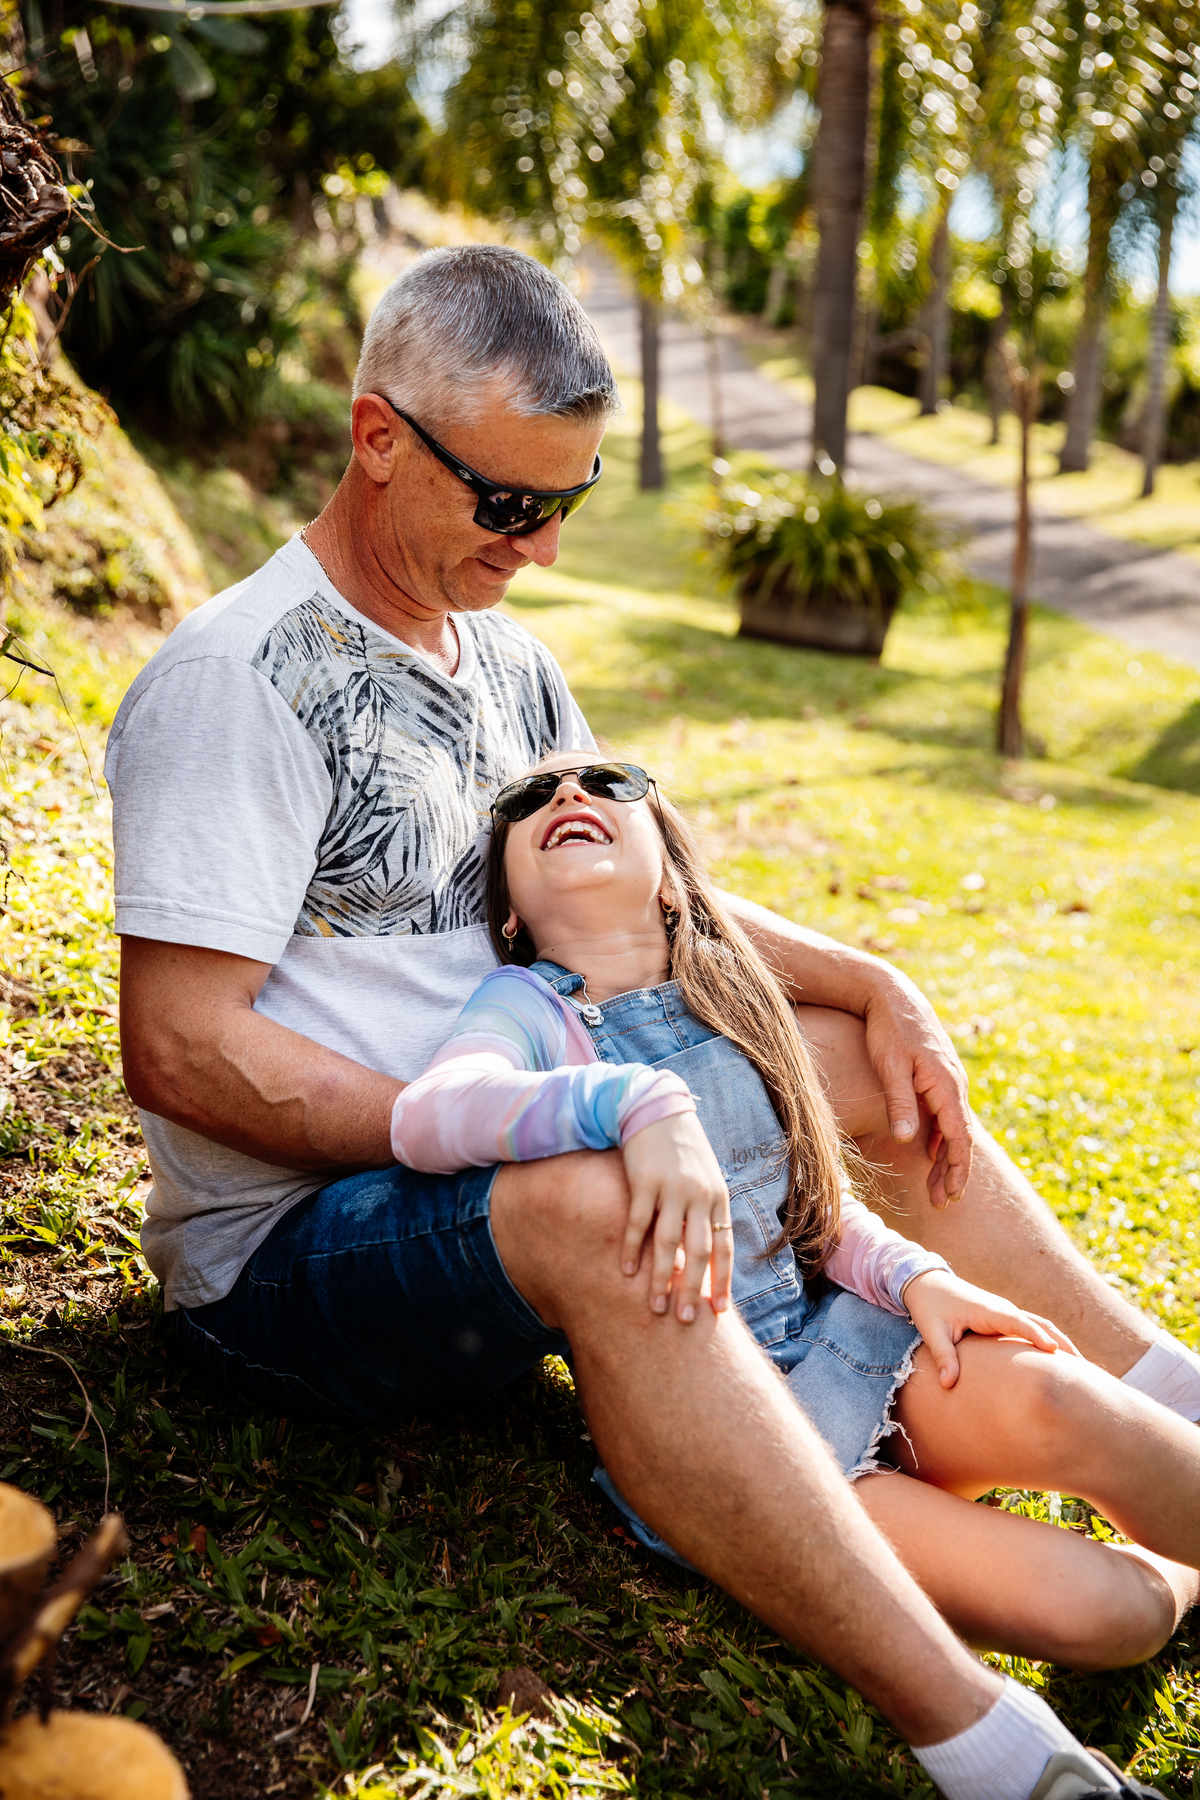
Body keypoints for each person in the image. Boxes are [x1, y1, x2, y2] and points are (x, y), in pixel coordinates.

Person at [108, 243, 1181, 1800]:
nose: (541, 547)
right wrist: (521, 1126)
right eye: (507, 502)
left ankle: (1166, 1401)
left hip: (527, 1149)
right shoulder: (236, 675)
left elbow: (644, 892)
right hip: (287, 1258)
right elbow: (182, 1048)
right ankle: (989, 1747)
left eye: (572, 498)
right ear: (378, 437)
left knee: (834, 1056)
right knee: (595, 1189)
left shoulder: (512, 661)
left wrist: (872, 984)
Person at [390, 748, 1200, 1670]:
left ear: (673, 882)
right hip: (736, 1433)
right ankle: (1177, 1575)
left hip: (852, 1338)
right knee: (1113, 1611)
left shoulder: (731, 998)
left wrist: (917, 1278)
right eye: (531, 798)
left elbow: (800, 1209)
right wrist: (628, 1100)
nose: (569, 793)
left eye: (612, 784)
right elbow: (427, 1114)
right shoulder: (528, 1008)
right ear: (507, 910)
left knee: (1065, 1400)